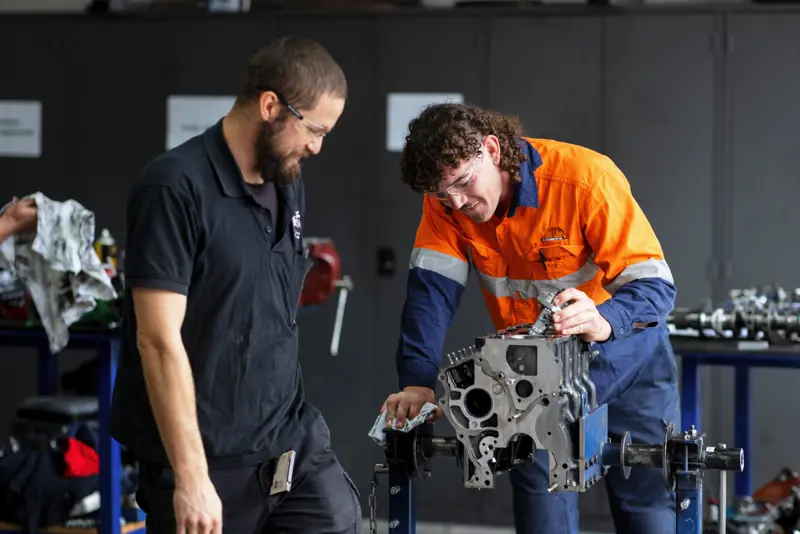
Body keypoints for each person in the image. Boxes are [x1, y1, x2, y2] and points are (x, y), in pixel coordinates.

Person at [379, 103, 679, 534]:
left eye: (463, 183)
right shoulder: (445, 201)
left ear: (491, 149)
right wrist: (417, 381)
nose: (457, 203)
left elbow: (655, 286)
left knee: (646, 509)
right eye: (443, 195)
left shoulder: (584, 179)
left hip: (626, 358)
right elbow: (430, 296)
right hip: (533, 378)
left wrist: (603, 319)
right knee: (541, 506)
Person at [110, 37, 361, 534]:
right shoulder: (173, 188)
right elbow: (156, 340)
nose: (317, 147)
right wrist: (191, 477)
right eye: (314, 129)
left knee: (340, 521)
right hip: (208, 458)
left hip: (287, 439)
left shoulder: (286, 178)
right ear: (270, 106)